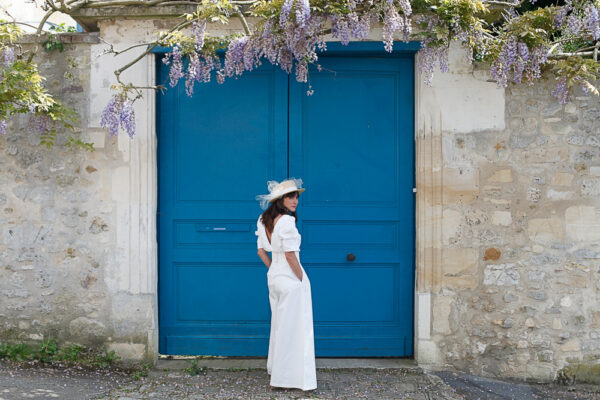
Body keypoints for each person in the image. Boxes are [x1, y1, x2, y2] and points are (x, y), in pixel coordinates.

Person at [255, 179, 317, 391]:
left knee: (281, 326)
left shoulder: (263, 220)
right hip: (291, 278)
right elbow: (290, 255)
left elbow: (261, 251)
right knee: (295, 329)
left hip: (275, 278)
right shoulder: (287, 222)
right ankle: (288, 378)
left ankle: (279, 373)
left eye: (297, 196)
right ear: (280, 200)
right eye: (291, 196)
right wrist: (301, 279)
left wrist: (274, 269)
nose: (295, 200)